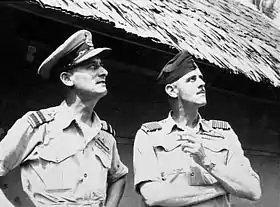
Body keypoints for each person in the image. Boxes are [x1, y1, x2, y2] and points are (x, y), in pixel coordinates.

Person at [0, 30, 128, 207]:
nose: (104, 72)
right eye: (92, 66)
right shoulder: (38, 126)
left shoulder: (105, 134)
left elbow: (118, 176)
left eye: (101, 65)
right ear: (67, 79)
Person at [133, 51, 261, 206]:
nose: (201, 84)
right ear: (172, 91)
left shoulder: (223, 133)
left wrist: (206, 161)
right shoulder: (149, 136)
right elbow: (153, 196)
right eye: (191, 79)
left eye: (201, 78)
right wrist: (224, 187)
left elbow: (253, 190)